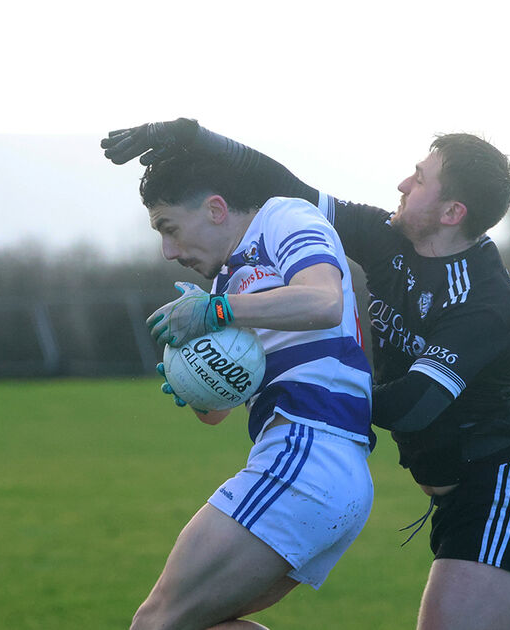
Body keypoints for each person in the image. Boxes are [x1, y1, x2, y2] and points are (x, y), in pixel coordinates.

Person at [102, 120, 510, 629]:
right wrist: (194, 137)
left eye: (419, 179)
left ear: (451, 212)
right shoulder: (390, 242)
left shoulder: (485, 300)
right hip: (473, 499)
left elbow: (415, 407)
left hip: (501, 490)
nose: (402, 184)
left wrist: (315, 383)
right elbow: (283, 185)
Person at [116, 151, 375, 630]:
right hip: (309, 461)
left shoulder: (284, 216)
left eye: (169, 228)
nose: (168, 251)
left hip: (308, 451)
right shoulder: (225, 281)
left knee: (155, 623)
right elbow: (218, 412)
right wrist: (194, 383)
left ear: (215, 209)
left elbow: (324, 300)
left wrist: (217, 312)